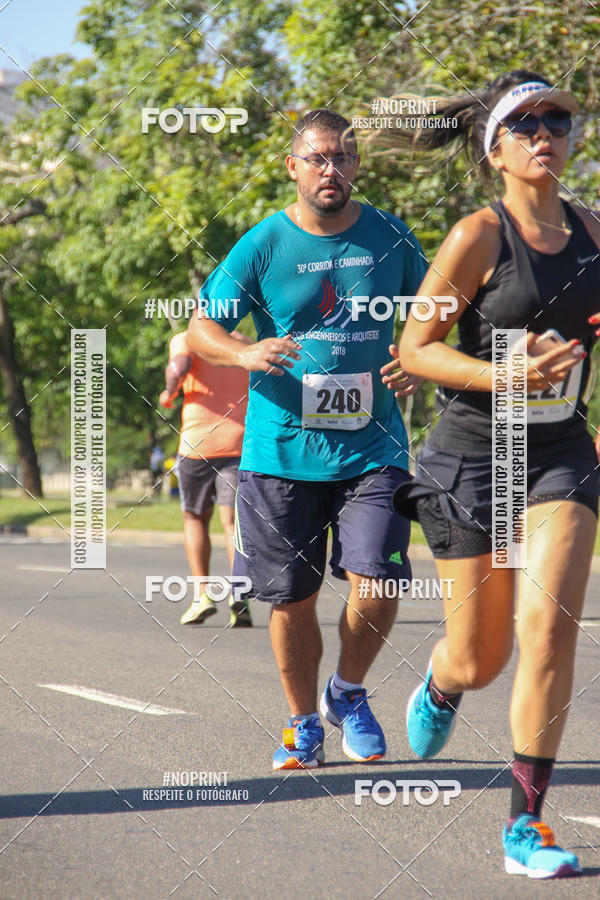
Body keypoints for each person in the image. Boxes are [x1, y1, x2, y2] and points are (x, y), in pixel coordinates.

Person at [384, 72, 599, 878]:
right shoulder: (479, 234)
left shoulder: (595, 236)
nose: (546, 132)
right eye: (526, 123)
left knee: (547, 628)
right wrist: (505, 377)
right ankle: (443, 683)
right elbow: (415, 349)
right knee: (482, 657)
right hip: (475, 455)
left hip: (559, 457)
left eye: (559, 120)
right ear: (496, 149)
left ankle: (525, 827)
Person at [187, 108, 427, 769]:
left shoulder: (389, 237)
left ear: (357, 166)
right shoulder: (263, 244)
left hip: (373, 447)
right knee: (291, 598)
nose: (332, 169)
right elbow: (203, 327)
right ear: (292, 166)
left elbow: (440, 310)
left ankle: (347, 692)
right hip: (279, 450)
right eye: (318, 158)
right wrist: (243, 352)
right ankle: (302, 724)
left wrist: (417, 355)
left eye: (343, 157)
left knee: (378, 579)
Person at [159, 329, 252, 627]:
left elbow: (179, 367)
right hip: (239, 443)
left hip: (197, 445)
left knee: (195, 518)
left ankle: (202, 596)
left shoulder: (187, 339)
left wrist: (169, 392)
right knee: (232, 522)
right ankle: (239, 592)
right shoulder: (246, 344)